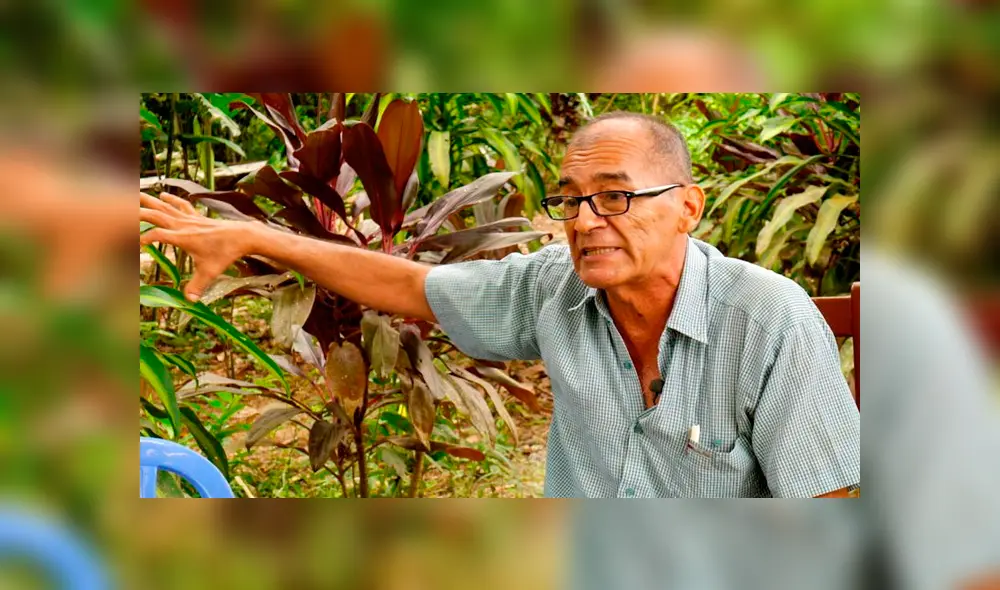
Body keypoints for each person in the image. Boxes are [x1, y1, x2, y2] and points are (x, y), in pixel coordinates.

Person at [139, 111, 860, 498]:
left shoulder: (769, 319)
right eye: (571, 200)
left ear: (688, 208)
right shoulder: (553, 286)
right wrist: (254, 236)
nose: (586, 221)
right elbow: (409, 286)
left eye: (615, 196)